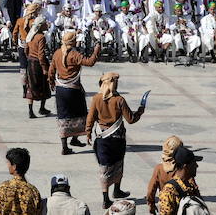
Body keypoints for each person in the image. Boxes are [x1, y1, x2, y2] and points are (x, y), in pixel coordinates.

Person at [86, 72, 142, 209]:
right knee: (118, 164)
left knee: (104, 168)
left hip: (102, 140)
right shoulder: (119, 100)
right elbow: (130, 119)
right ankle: (117, 190)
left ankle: (106, 198)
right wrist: (140, 111)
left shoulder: (96, 99)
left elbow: (90, 118)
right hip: (118, 139)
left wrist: (88, 132)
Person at [47, 31, 100, 155]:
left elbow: (51, 71)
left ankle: (65, 145)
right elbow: (90, 62)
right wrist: (96, 50)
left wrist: (51, 83)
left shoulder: (57, 53)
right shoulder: (74, 54)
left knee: (63, 116)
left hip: (61, 90)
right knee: (79, 114)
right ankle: (75, 138)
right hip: (74, 90)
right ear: (73, 42)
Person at [0, 148, 41, 215]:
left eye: (8, 163)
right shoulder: (33, 191)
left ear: (14, 167)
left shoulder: (3, 188)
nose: (7, 165)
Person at [155, 147, 202, 215]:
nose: (197, 166)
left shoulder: (191, 184)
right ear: (186, 167)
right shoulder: (169, 190)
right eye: (194, 163)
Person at [145, 137, 184, 215]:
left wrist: (151, 205)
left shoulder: (159, 168)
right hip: (182, 206)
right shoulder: (183, 168)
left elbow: (150, 191)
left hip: (165, 206)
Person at [24, 17, 51, 119]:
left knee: (31, 86)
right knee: (44, 85)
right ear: (40, 26)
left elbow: (26, 49)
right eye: (44, 23)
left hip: (30, 63)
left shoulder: (30, 35)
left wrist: (29, 57)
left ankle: (30, 111)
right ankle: (42, 108)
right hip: (38, 65)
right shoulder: (41, 37)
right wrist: (44, 68)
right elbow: (41, 54)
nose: (46, 25)